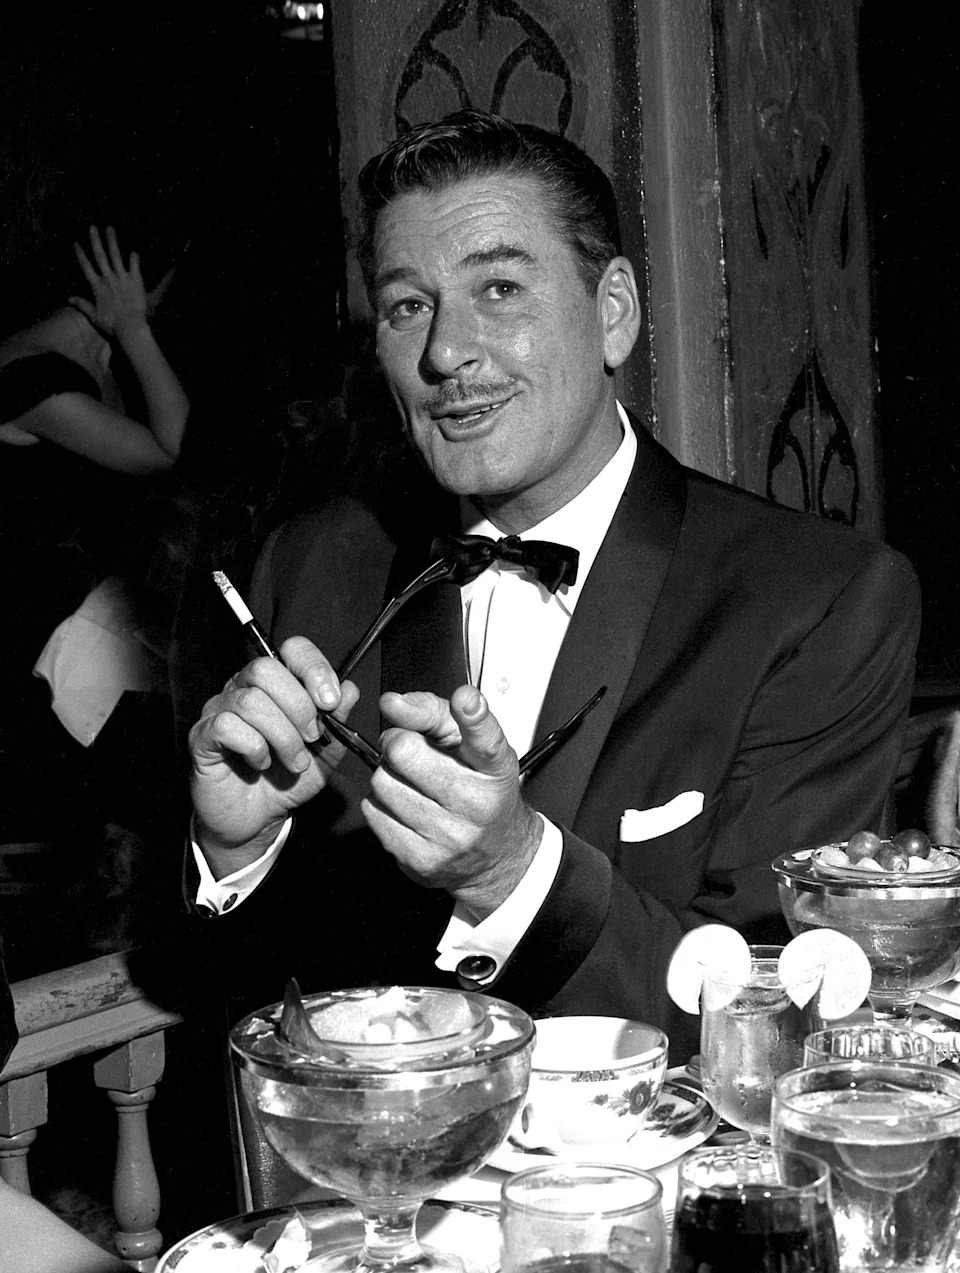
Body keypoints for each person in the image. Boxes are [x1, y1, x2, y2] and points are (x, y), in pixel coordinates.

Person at [185, 109, 919, 1058]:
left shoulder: (818, 596)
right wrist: (235, 853)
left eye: (499, 288)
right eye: (410, 306)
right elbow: (265, 1012)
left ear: (613, 310)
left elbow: (781, 1023)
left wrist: (512, 873)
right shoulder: (314, 565)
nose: (447, 353)